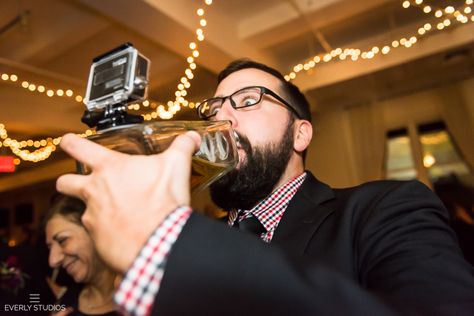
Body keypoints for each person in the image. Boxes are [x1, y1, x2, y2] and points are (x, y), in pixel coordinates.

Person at [56, 59, 474, 316]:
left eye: (248, 99)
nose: (222, 120)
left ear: (300, 134)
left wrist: (169, 241)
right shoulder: (209, 235)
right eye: (215, 108)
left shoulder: (386, 209)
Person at [44, 195, 120, 316]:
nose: (53, 261)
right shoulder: (66, 302)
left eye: (63, 240)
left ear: (95, 230)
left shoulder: (144, 297)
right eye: (50, 248)